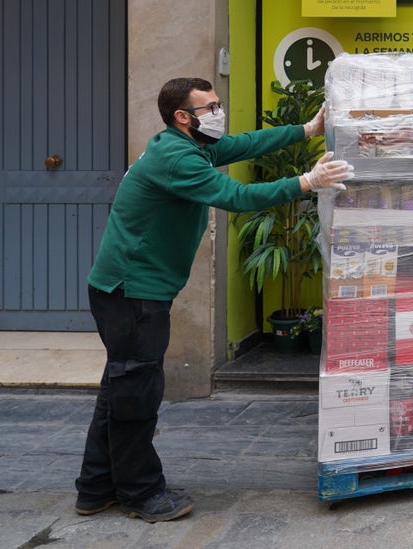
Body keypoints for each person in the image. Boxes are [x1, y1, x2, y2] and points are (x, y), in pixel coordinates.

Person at [74, 77, 353, 523]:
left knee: (120, 389)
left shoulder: (187, 146)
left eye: (218, 104)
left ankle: (95, 487)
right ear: (182, 116)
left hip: (129, 290)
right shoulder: (177, 159)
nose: (219, 114)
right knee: (137, 395)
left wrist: (305, 130)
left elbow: (243, 145)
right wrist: (307, 181)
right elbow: (236, 196)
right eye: (210, 108)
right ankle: (140, 492)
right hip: (132, 294)